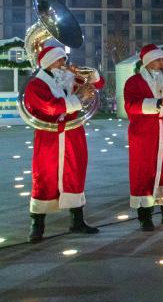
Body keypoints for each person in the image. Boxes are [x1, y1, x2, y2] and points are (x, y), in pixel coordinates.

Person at [23, 44, 105, 242]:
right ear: (49, 63)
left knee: (75, 173)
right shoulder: (36, 85)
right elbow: (50, 107)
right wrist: (78, 98)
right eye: (60, 60)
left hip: (73, 134)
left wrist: (90, 74)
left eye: (64, 60)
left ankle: (77, 221)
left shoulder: (69, 78)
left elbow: (98, 84)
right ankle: (37, 224)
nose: (64, 64)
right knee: (44, 176)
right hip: (49, 136)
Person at [124, 44, 163, 231]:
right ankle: (145, 217)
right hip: (145, 133)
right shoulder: (134, 82)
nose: (162, 63)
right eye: (158, 59)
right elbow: (131, 106)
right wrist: (160, 101)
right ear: (148, 62)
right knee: (145, 171)